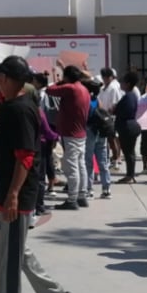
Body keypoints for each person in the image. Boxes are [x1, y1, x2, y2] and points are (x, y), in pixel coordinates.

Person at [0, 56, 71, 293]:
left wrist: (13, 195)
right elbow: (0, 89)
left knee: (8, 258)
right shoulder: (17, 102)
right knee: (17, 249)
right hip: (13, 191)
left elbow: (26, 156)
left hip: (18, 193)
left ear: (6, 79)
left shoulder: (18, 111)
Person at [46, 65, 91, 209]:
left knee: (72, 167)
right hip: (80, 132)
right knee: (80, 165)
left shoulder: (71, 88)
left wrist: (60, 81)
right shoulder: (84, 89)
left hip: (70, 133)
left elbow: (49, 90)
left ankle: (72, 199)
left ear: (67, 77)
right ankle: (82, 196)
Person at [113, 72, 142, 184]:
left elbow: (125, 111)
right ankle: (130, 174)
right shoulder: (130, 96)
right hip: (129, 126)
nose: (121, 83)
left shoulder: (129, 97)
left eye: (123, 82)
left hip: (127, 127)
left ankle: (130, 175)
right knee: (129, 152)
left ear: (128, 84)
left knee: (128, 152)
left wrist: (115, 109)